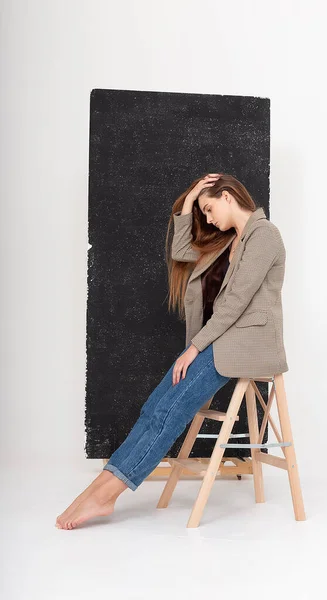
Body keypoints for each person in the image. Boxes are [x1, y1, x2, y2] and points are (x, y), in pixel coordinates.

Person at [55, 172, 288, 529]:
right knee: (156, 407)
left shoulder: (264, 235)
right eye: (203, 212)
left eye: (209, 209)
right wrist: (192, 198)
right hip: (220, 341)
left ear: (228, 196)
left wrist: (193, 348)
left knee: (169, 411)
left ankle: (106, 494)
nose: (208, 219)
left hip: (246, 343)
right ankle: (101, 487)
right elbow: (181, 251)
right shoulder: (229, 241)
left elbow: (237, 301)